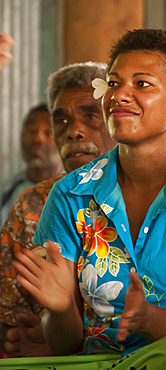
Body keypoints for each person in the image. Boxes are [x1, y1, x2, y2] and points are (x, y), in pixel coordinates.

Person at [9, 29, 166, 369]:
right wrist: (61, 310)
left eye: (142, 84)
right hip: (97, 363)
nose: (120, 95)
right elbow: (66, 344)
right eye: (114, 82)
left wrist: (147, 319)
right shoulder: (71, 194)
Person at [0, 61, 117, 358]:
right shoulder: (30, 206)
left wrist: (62, 344)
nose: (73, 131)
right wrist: (24, 338)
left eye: (91, 115)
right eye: (61, 120)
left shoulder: (154, 197)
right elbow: (10, 323)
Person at [0, 103, 64, 228]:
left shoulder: (73, 193)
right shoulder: (7, 192)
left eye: (48, 132)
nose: (38, 139)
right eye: (32, 131)